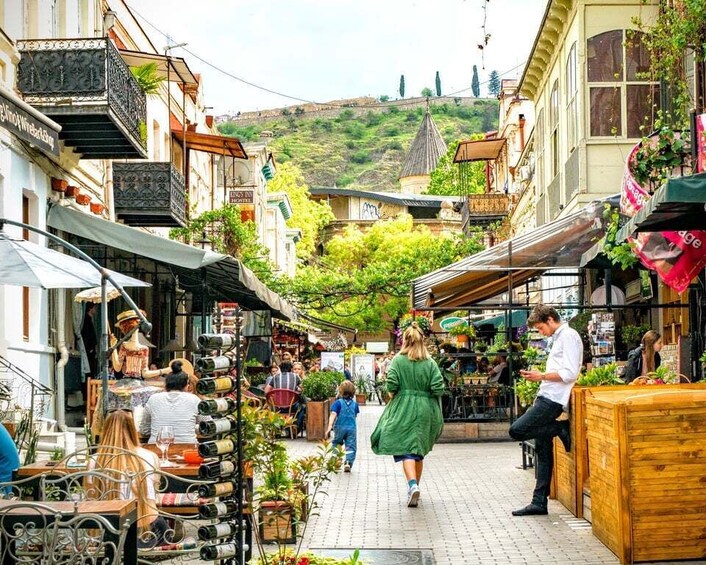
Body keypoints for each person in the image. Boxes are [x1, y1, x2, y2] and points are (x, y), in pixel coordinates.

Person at [509, 304, 582, 517]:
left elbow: (569, 373)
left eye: (541, 328)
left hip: (552, 400)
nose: (541, 332)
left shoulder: (568, 336)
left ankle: (558, 429)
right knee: (543, 450)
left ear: (550, 319)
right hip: (547, 395)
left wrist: (540, 376)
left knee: (517, 431)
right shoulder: (559, 337)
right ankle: (539, 502)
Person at [370, 322, 445, 508]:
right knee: (418, 451)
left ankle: (412, 486)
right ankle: (415, 487)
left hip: (403, 407)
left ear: (404, 340)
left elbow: (392, 385)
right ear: (422, 341)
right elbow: (438, 387)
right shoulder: (430, 363)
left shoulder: (397, 360)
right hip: (426, 408)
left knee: (407, 450)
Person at [88, 409, 168, 548]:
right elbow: (155, 493)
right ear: (133, 430)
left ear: (105, 430)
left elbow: (91, 497)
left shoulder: (94, 461)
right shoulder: (150, 457)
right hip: (149, 534)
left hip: (109, 538)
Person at [140, 361, 201, 444]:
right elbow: (208, 426)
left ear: (165, 385)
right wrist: (189, 427)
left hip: (157, 449)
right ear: (186, 386)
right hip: (187, 449)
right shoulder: (194, 400)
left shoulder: (153, 399)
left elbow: (144, 430)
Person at [326, 380, 359, 473]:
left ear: (340, 391)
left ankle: (333, 460)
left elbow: (333, 414)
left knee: (337, 443)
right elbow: (355, 415)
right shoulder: (355, 404)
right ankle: (348, 462)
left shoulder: (338, 403)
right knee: (351, 446)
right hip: (351, 428)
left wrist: (329, 426)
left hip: (339, 427)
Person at [264, 360, 305, 432]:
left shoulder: (275, 377)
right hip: (292, 406)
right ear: (291, 369)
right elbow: (303, 389)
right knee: (303, 407)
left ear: (280, 368)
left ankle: (277, 428)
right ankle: (296, 428)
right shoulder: (296, 377)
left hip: (277, 406)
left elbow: (266, 391)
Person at [111, 310, 150, 379]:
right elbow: (117, 367)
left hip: (136, 382)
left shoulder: (144, 349)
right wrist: (113, 347)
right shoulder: (124, 345)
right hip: (128, 381)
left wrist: (165, 370)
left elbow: (145, 373)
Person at [81, 303, 98, 379]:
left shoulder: (89, 319)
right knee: (90, 367)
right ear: (90, 309)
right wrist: (90, 347)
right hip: (89, 349)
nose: (95, 310)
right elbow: (87, 334)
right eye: (94, 308)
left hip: (91, 348)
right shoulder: (87, 320)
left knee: (92, 367)